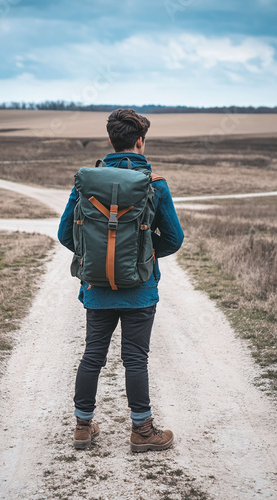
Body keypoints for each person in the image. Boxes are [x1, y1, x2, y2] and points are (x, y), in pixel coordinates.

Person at [58, 108, 184, 452]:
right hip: (140, 290)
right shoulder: (155, 184)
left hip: (96, 288)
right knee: (136, 358)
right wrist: (141, 253)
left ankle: (83, 427)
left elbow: (65, 233)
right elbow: (173, 239)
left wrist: (92, 253)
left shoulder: (86, 181)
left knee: (92, 355)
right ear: (140, 141)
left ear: (111, 141)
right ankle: (142, 432)